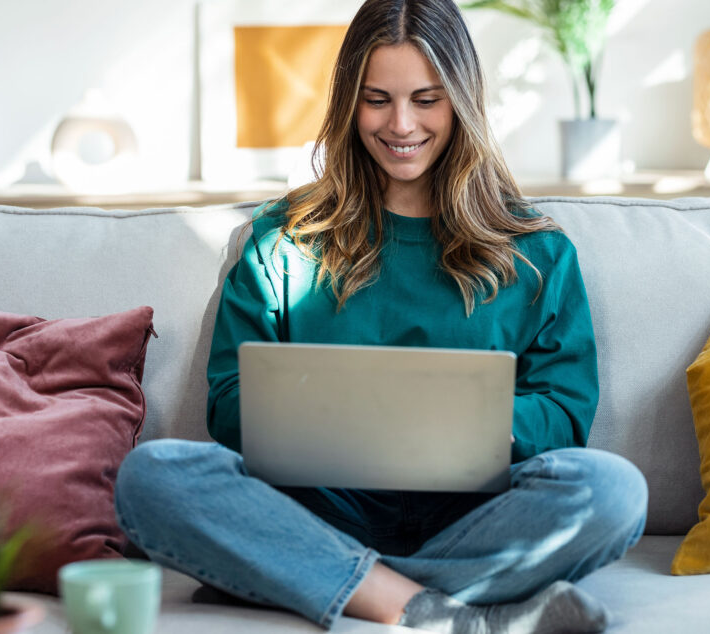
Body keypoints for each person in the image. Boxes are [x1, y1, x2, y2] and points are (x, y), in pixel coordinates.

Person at [113, 0, 648, 632]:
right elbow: (228, 405)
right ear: (348, 102)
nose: (401, 124)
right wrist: (329, 411)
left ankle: (334, 582)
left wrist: (466, 418)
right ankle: (436, 609)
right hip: (316, 509)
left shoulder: (537, 252)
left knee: (614, 490)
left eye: (426, 99)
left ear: (461, 101)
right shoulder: (281, 241)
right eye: (377, 99)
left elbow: (564, 413)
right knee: (152, 475)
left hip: (478, 514)